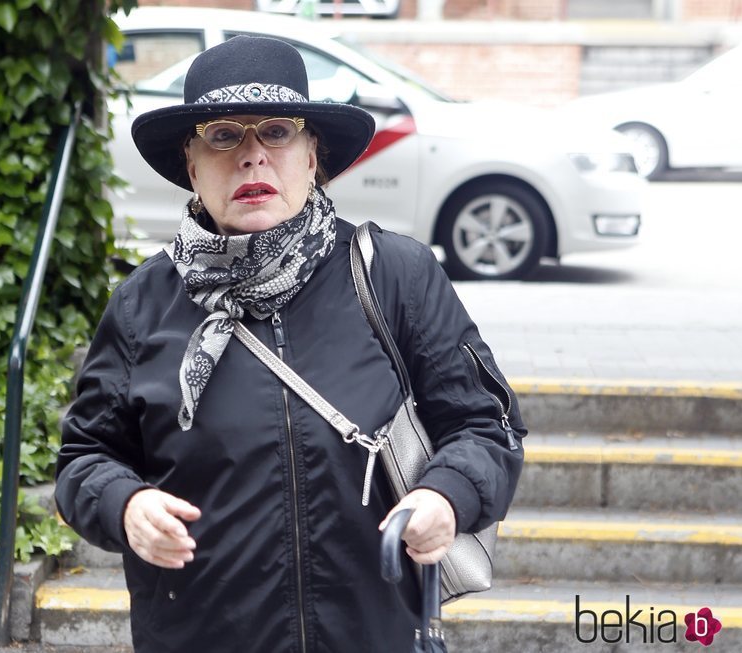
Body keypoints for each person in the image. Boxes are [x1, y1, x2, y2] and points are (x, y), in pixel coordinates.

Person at [56, 35, 525, 653]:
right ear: (192, 168)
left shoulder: (393, 276)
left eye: (277, 131)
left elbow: (486, 425)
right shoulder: (144, 304)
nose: (253, 157)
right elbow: (84, 456)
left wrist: (448, 494)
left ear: (312, 157)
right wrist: (125, 504)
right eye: (223, 135)